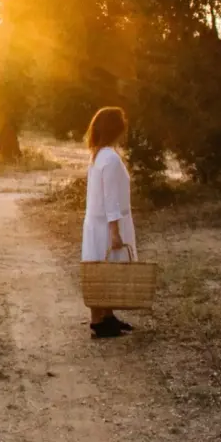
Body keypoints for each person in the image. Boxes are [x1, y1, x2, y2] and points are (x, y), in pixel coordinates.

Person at [82, 106, 137, 338]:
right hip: (107, 223)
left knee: (99, 268)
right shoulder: (111, 159)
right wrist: (115, 231)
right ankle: (99, 321)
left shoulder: (99, 154)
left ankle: (106, 316)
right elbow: (110, 197)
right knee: (106, 269)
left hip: (96, 222)